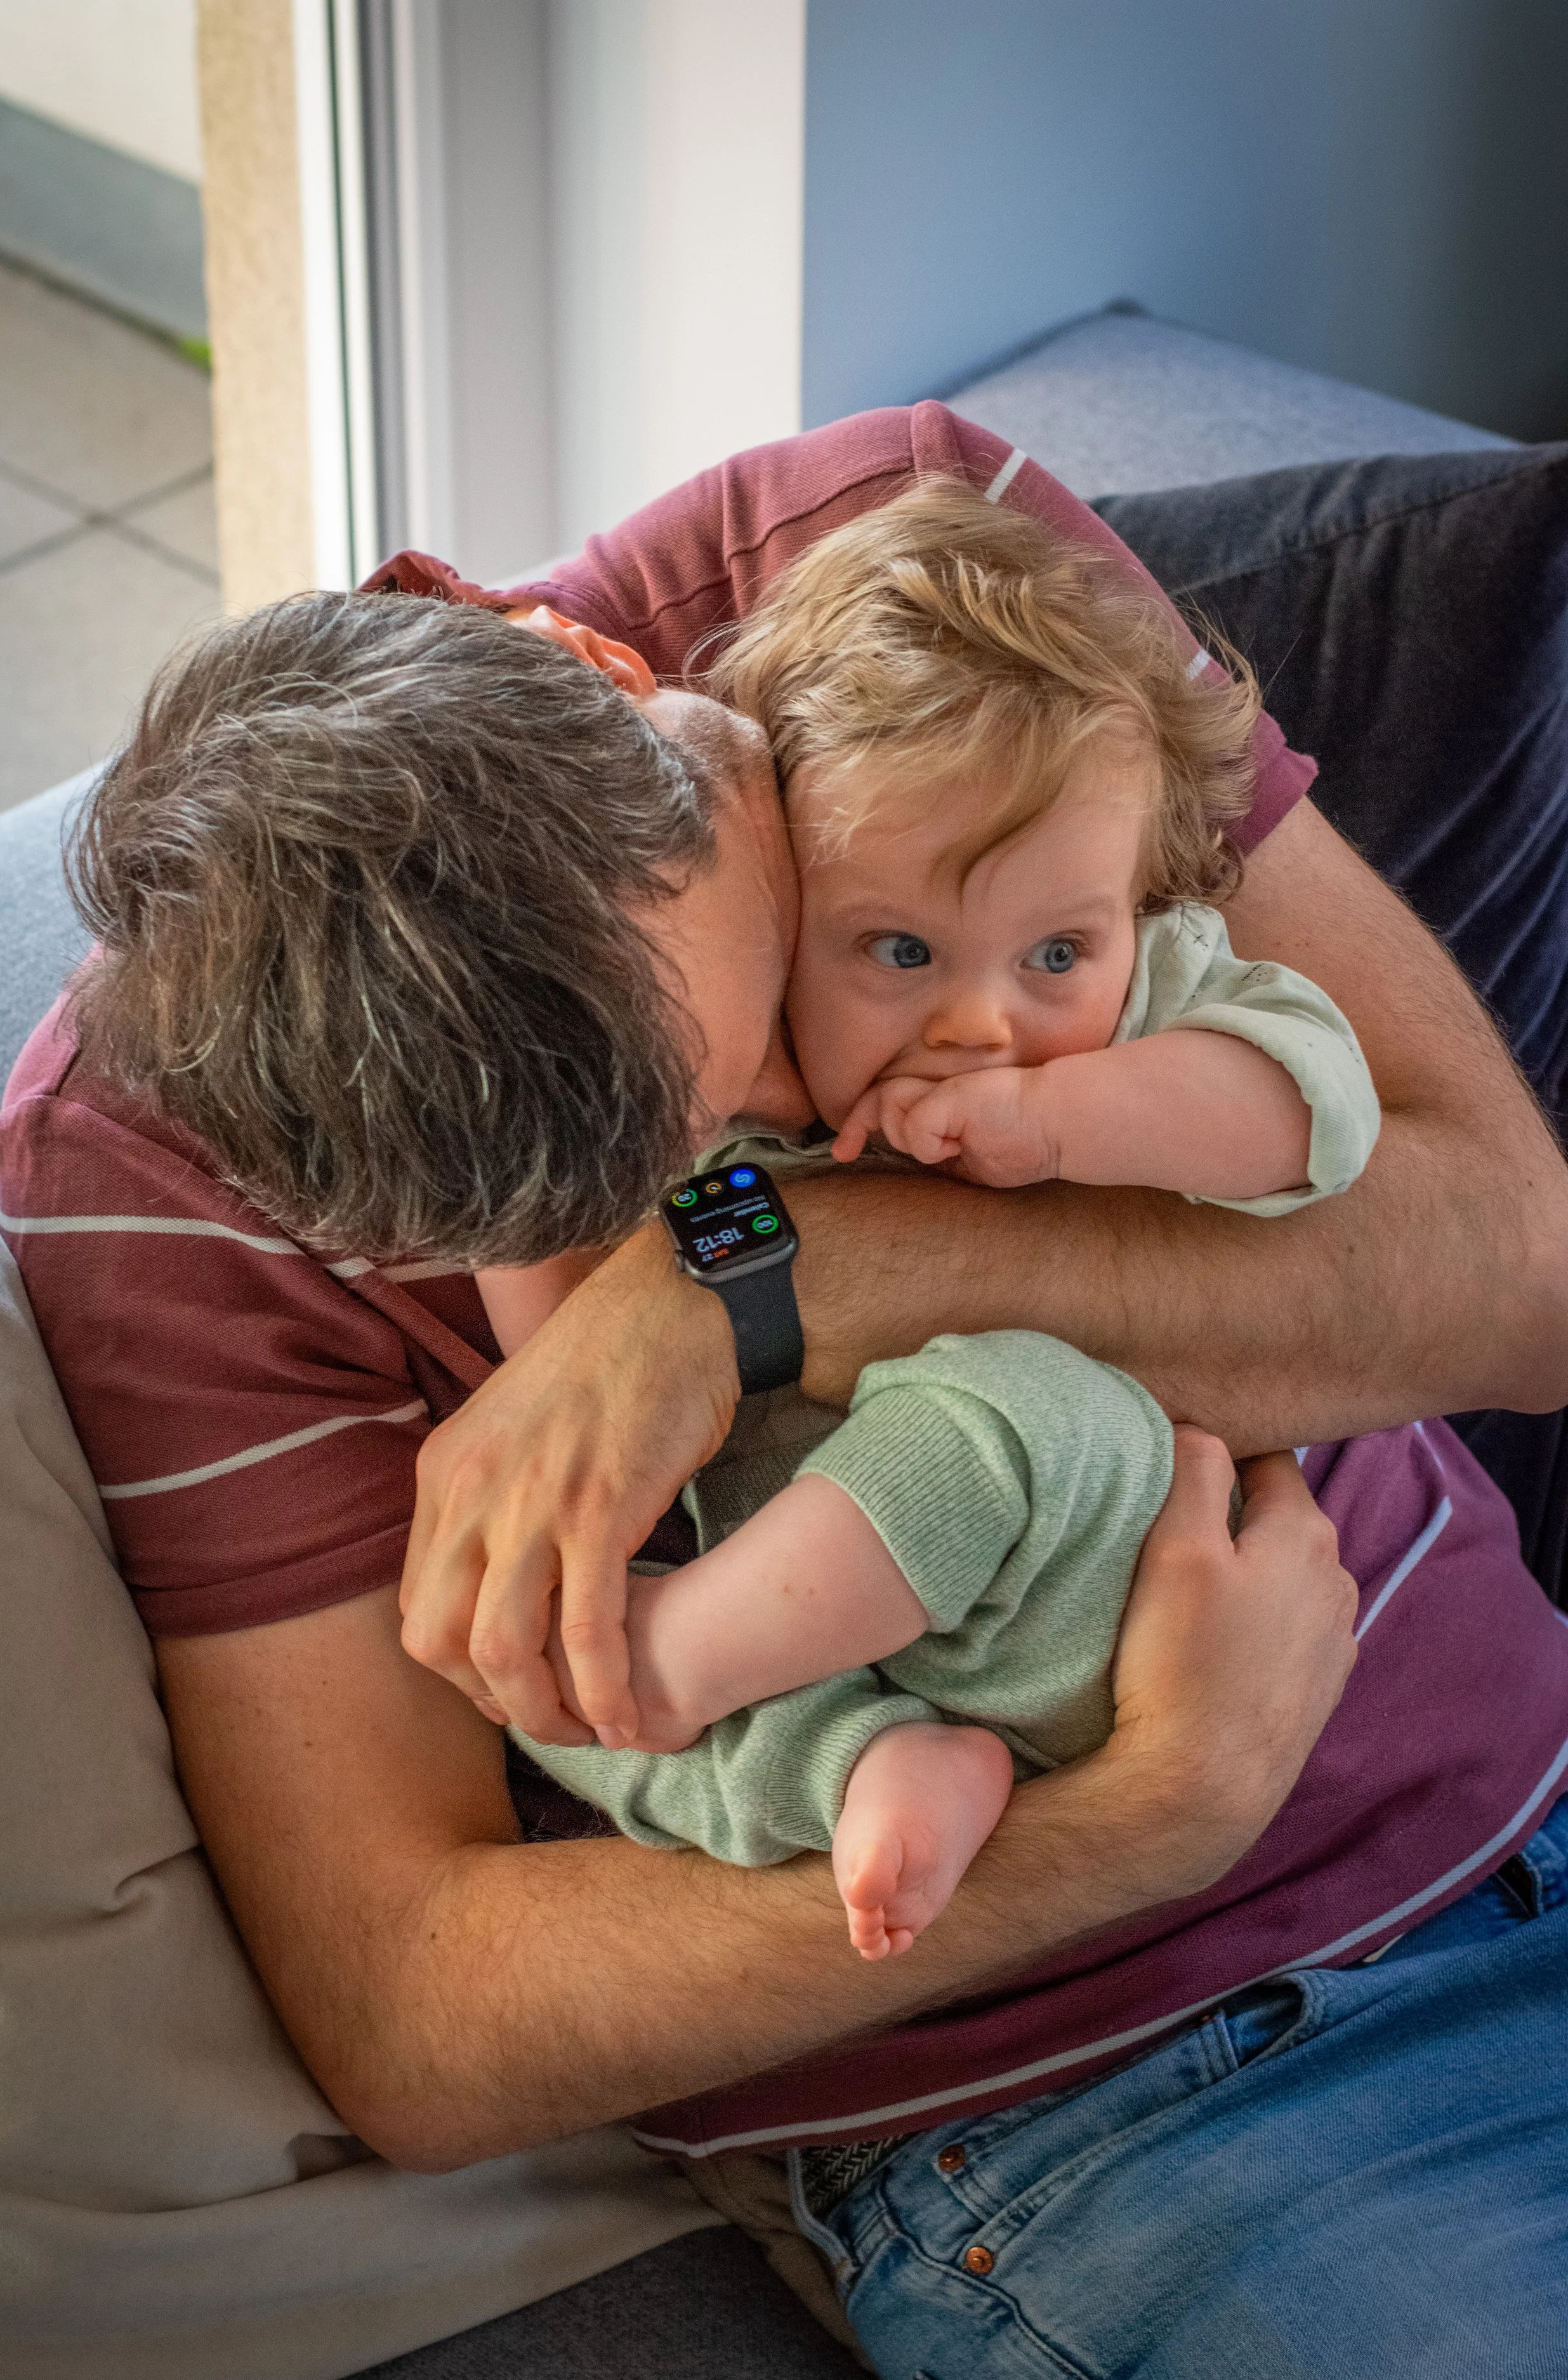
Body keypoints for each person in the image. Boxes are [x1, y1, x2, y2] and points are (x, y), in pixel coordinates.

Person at [0, 406, 1568, 2374]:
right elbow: (416, 2014)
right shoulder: (143, 1188)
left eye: (788, 1002)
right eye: (710, 1145)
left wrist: (751, 1274)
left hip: (1537, 1754)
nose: (839, 1111)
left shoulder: (911, 554)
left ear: (604, 678)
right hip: (1134, 2111)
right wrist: (1145, 1817)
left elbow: (1527, 1273)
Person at [489, 482, 1381, 1961]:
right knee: (532, 1667)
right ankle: (862, 1772)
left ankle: (688, 1662)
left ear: (1132, 905)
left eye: (1054, 951)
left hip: (1095, 1579)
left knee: (1014, 1402)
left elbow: (1317, 1107)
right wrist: (527, 1220)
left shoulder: (1145, 1014)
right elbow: (570, 1367)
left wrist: (1066, 1119)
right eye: (898, 950)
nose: (983, 1021)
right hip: (840, 1646)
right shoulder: (735, 1136)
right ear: (782, 921)